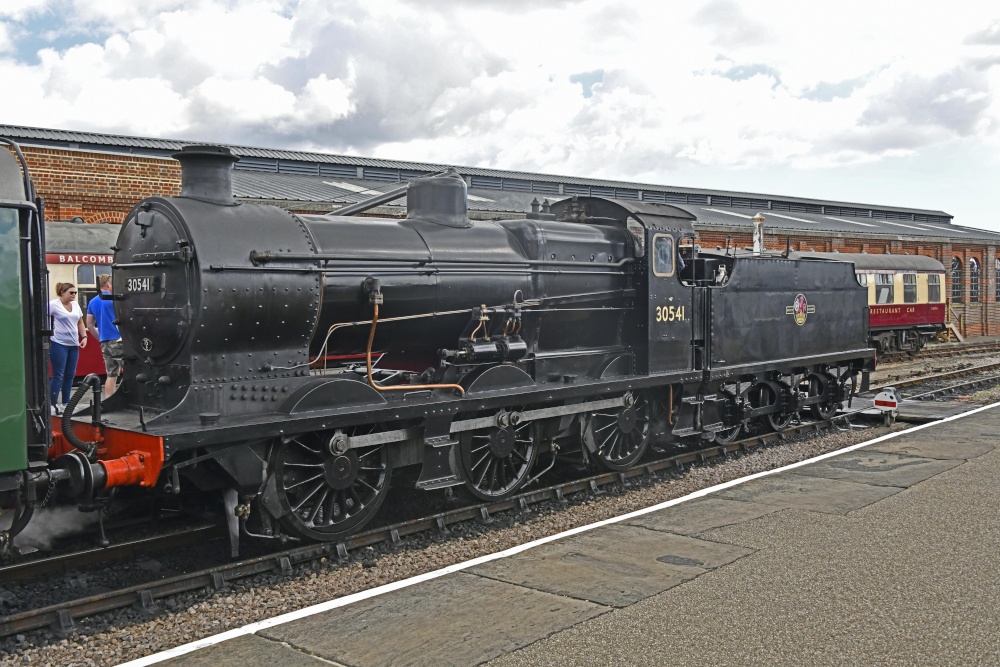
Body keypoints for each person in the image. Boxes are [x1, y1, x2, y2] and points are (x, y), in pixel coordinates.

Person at [48, 282, 88, 414]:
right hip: (58, 343)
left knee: (70, 375)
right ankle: (52, 404)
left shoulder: (76, 305)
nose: (74, 295)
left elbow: (80, 322)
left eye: (75, 293)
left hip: (73, 344)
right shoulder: (53, 305)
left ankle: (66, 403)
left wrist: (84, 336)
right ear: (62, 292)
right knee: (58, 374)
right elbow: (43, 319)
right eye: (71, 292)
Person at [86, 273, 123, 398]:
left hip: (104, 342)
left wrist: (100, 338)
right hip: (118, 340)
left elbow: (90, 324)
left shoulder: (92, 302)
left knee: (111, 375)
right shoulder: (114, 300)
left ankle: (108, 400)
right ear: (108, 284)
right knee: (130, 373)